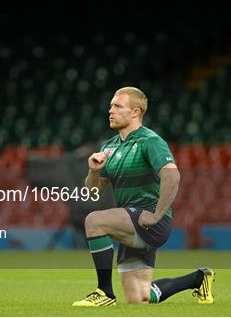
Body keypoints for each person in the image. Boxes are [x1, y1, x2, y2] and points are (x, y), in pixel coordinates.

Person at [72, 86, 215, 306]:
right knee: (140, 298)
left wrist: (157, 215)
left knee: (94, 221)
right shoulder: (108, 147)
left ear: (136, 112)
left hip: (149, 220)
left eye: (117, 106)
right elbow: (92, 192)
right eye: (111, 105)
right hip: (130, 222)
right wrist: (93, 171)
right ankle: (199, 278)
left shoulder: (150, 140)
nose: (110, 110)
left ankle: (104, 293)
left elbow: (173, 177)